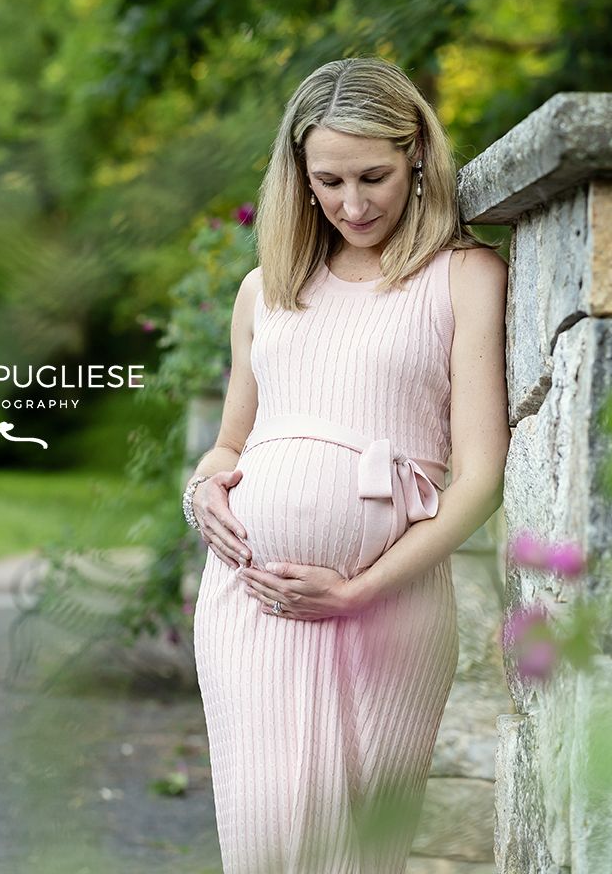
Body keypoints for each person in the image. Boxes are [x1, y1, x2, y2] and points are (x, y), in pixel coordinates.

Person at [181, 56, 509, 874]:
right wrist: (204, 487)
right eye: (329, 180)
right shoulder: (267, 290)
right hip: (250, 608)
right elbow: (231, 442)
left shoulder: (464, 277)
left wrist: (357, 590)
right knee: (261, 853)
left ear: (418, 160)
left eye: (375, 176)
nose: (353, 203)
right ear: (299, 176)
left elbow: (479, 478)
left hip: (383, 612)